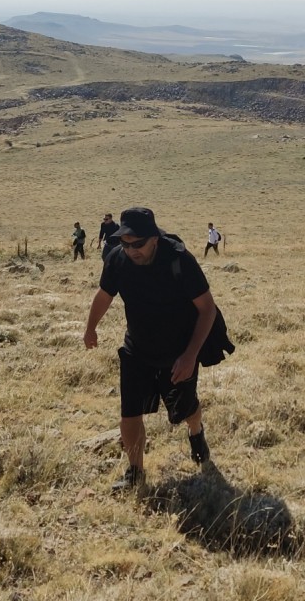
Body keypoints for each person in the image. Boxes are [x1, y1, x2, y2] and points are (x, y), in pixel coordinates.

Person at [83, 207, 216, 492]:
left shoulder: (179, 260)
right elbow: (104, 295)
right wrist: (90, 327)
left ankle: (196, 431)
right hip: (137, 349)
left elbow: (207, 309)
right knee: (129, 413)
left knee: (185, 408)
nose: (131, 250)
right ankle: (135, 473)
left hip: (178, 352)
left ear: (154, 238)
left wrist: (190, 355)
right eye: (125, 243)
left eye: (138, 244)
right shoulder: (117, 259)